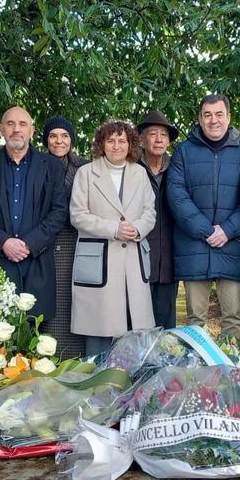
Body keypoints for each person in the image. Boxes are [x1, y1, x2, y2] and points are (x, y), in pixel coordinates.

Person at [0, 107, 67, 327]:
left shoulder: (52, 166)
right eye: (10, 124)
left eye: (22, 124)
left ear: (31, 130)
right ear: (1, 129)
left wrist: (29, 244)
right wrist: (4, 242)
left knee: (37, 345)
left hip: (37, 263)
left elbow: (59, 212)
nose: (16, 130)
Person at [166, 94, 240, 340]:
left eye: (219, 114)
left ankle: (235, 371)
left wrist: (227, 230)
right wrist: (207, 231)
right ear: (200, 119)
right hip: (193, 246)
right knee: (195, 320)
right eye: (207, 115)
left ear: (229, 117)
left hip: (232, 245)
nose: (214, 120)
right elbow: (177, 196)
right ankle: (196, 374)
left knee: (234, 316)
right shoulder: (183, 152)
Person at [70, 121, 156, 356]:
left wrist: (137, 229)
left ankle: (132, 384)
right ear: (101, 144)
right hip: (101, 259)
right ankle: (97, 382)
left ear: (130, 145)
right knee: (100, 327)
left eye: (122, 140)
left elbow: (150, 212)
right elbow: (77, 215)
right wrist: (114, 229)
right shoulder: (86, 173)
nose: (116, 145)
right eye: (110, 140)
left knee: (134, 325)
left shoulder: (139, 173)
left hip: (132, 258)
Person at [41, 116, 87, 359]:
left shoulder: (84, 167)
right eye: (53, 136)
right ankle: (51, 359)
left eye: (64, 136)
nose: (59, 141)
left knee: (76, 304)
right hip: (47, 244)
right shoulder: (37, 165)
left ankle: (77, 360)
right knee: (53, 307)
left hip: (76, 244)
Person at [137, 110, 180, 329]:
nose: (159, 139)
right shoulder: (132, 168)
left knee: (167, 323)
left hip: (170, 255)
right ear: (142, 140)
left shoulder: (177, 168)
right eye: (152, 134)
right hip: (137, 255)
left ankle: (165, 363)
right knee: (138, 322)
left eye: (163, 135)